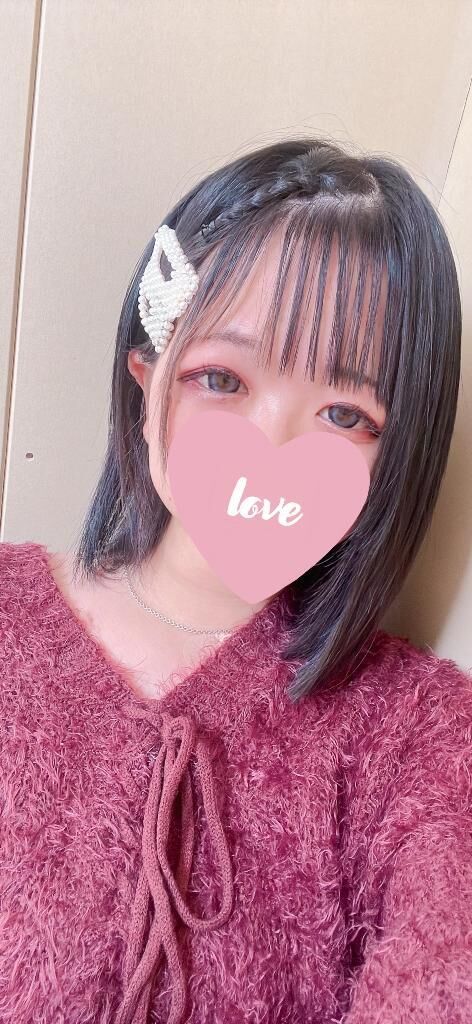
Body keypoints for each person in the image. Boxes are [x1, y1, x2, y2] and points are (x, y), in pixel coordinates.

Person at [0, 136, 471, 1024]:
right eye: (222, 377)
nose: (272, 444)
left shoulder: (423, 734)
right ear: (146, 385)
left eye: (345, 414)